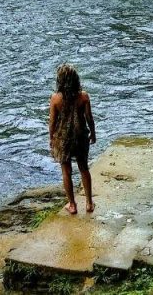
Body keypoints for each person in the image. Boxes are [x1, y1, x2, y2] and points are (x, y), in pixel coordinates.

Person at [48, 64, 96, 215]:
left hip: (63, 139)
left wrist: (51, 138)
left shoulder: (56, 98)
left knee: (66, 171)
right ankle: (89, 203)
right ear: (76, 79)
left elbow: (52, 122)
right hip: (80, 136)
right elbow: (89, 118)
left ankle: (73, 205)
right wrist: (93, 133)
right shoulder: (83, 96)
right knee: (84, 168)